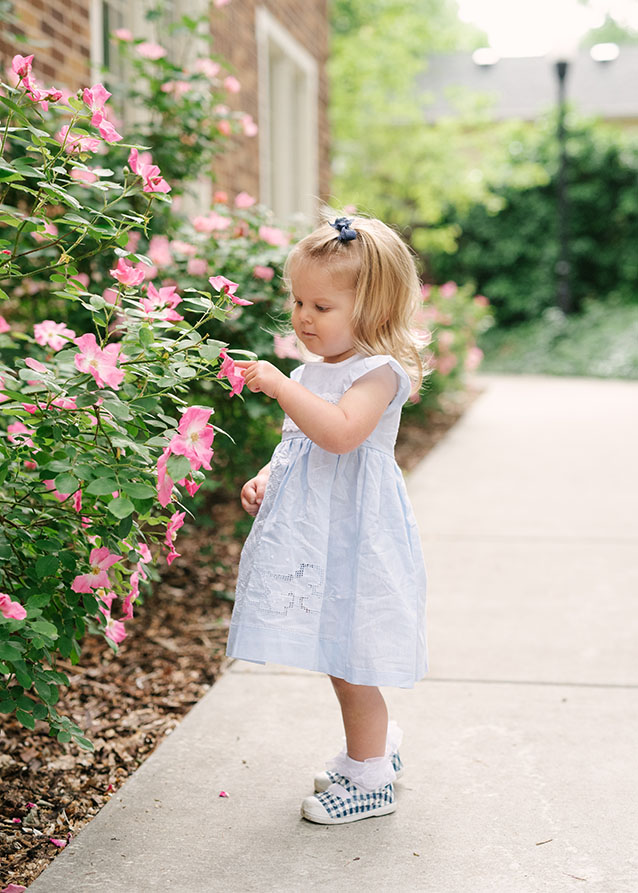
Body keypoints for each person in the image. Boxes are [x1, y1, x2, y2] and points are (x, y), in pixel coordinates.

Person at [227, 212, 428, 825]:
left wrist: (280, 387)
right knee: (339, 653)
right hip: (322, 536)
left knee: (353, 658)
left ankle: (369, 779)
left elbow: (340, 434)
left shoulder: (377, 373)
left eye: (322, 306)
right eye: (297, 302)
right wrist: (269, 475)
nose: (303, 317)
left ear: (373, 311)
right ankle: (373, 753)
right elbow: (302, 442)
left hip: (357, 537)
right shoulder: (312, 372)